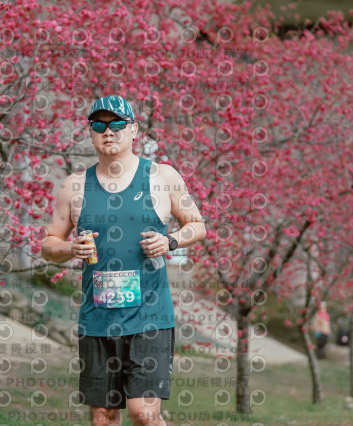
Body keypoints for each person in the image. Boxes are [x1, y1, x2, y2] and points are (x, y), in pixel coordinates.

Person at [41, 95, 206, 426]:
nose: (109, 131)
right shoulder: (74, 186)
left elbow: (197, 225)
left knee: (143, 414)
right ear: (90, 132)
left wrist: (170, 241)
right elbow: (48, 244)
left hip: (150, 318)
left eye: (117, 123)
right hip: (97, 319)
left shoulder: (162, 176)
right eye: (99, 125)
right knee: (103, 418)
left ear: (134, 130)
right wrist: (71, 249)